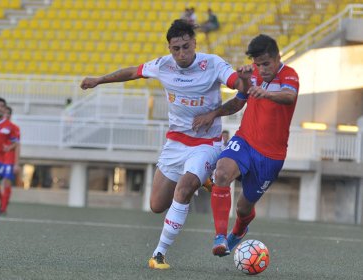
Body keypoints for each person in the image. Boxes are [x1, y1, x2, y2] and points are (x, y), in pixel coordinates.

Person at [80, 19, 250, 269]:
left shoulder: (212, 64)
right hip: (175, 143)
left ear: (194, 42)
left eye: (185, 46)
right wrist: (99, 80)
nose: (181, 53)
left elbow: (240, 94)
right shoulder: (163, 65)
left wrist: (214, 113)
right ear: (169, 48)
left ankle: (159, 254)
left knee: (182, 189)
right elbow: (132, 72)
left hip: (207, 143)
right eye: (175, 48)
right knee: (157, 205)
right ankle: (202, 178)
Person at [192, 34, 299, 256]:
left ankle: (239, 231)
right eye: (258, 64)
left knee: (243, 208)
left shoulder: (290, 75)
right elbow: (238, 102)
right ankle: (220, 237)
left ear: (278, 56)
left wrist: (266, 93)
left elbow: (289, 97)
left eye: (266, 63)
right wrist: (214, 113)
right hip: (245, 140)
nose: (262, 68)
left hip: (271, 156)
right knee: (221, 174)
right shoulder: (253, 73)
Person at [0, 98, 20, 216]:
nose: (0, 108)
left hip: (2, 160)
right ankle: (1, 201)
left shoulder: (11, 127)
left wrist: (16, 162)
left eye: (2, 106)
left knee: (1, 182)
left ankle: (3, 207)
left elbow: (17, 144)